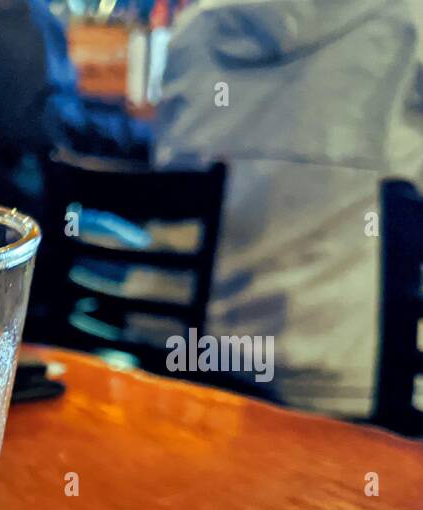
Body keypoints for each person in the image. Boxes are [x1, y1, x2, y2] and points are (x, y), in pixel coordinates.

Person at [155, 0, 423, 418]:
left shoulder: (195, 28)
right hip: (343, 374)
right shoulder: (409, 23)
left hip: (180, 358)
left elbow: (169, 166)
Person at [0, 0, 150, 215]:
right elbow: (38, 127)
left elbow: (47, 105)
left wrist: (116, 111)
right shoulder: (13, 11)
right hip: (9, 213)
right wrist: (138, 133)